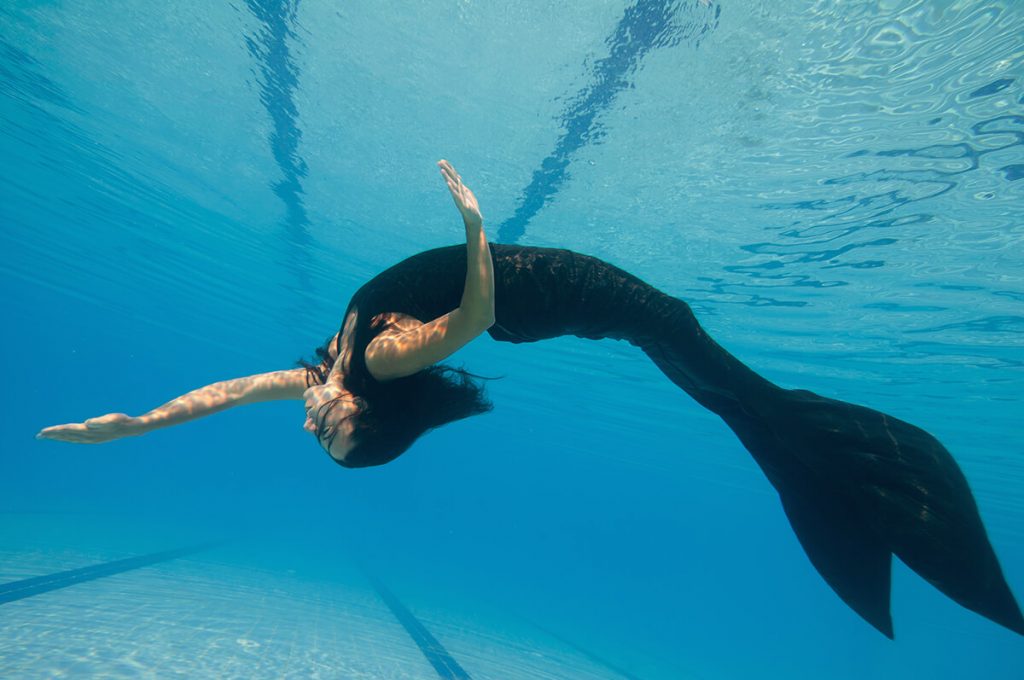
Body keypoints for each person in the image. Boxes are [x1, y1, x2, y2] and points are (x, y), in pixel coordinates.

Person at [37, 160, 1022, 639]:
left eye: (318, 433)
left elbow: (231, 391)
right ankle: (866, 480)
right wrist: (473, 229)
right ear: (363, 415)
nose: (312, 420)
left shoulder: (327, 370)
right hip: (601, 297)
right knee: (750, 405)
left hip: (602, 309)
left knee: (746, 408)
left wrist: (133, 425)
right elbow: (465, 324)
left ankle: (842, 486)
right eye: (333, 435)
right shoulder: (376, 364)